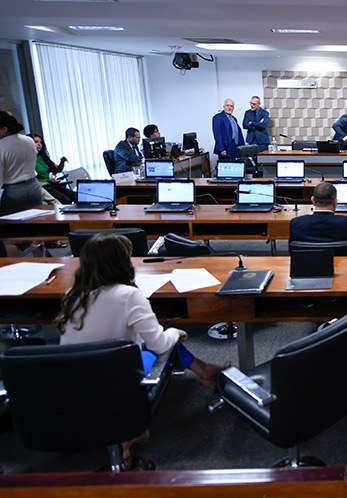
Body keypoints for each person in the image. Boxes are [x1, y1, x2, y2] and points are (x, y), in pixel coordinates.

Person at [56, 233, 229, 466]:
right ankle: (129, 436)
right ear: (121, 263)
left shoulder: (72, 295)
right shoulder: (128, 295)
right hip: (116, 381)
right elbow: (159, 343)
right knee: (165, 339)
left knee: (155, 335)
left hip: (72, 385)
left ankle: (203, 370)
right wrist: (175, 333)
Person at [288, 181, 347, 256]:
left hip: (306, 270)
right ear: (335, 202)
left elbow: (292, 250)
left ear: (313, 201)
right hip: (345, 269)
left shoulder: (296, 223)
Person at [0, 111, 42, 215]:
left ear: (4, 129)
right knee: (36, 223)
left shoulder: (1, 146)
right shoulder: (29, 140)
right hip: (34, 188)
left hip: (12, 192)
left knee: (12, 228)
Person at [29, 133, 75, 204]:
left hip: (51, 185)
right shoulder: (28, 160)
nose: (39, 144)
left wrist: (62, 162)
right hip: (44, 187)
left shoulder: (43, 157)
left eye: (41, 142)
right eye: (36, 142)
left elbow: (58, 169)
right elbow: (30, 182)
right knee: (66, 200)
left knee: (76, 196)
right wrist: (48, 182)